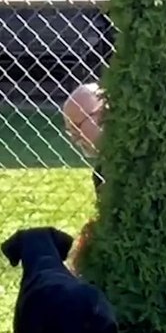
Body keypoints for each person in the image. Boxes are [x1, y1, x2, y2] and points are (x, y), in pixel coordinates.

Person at [60, 82, 106, 273]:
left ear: (101, 113)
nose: (75, 138)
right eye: (70, 131)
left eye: (77, 127)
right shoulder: (101, 172)